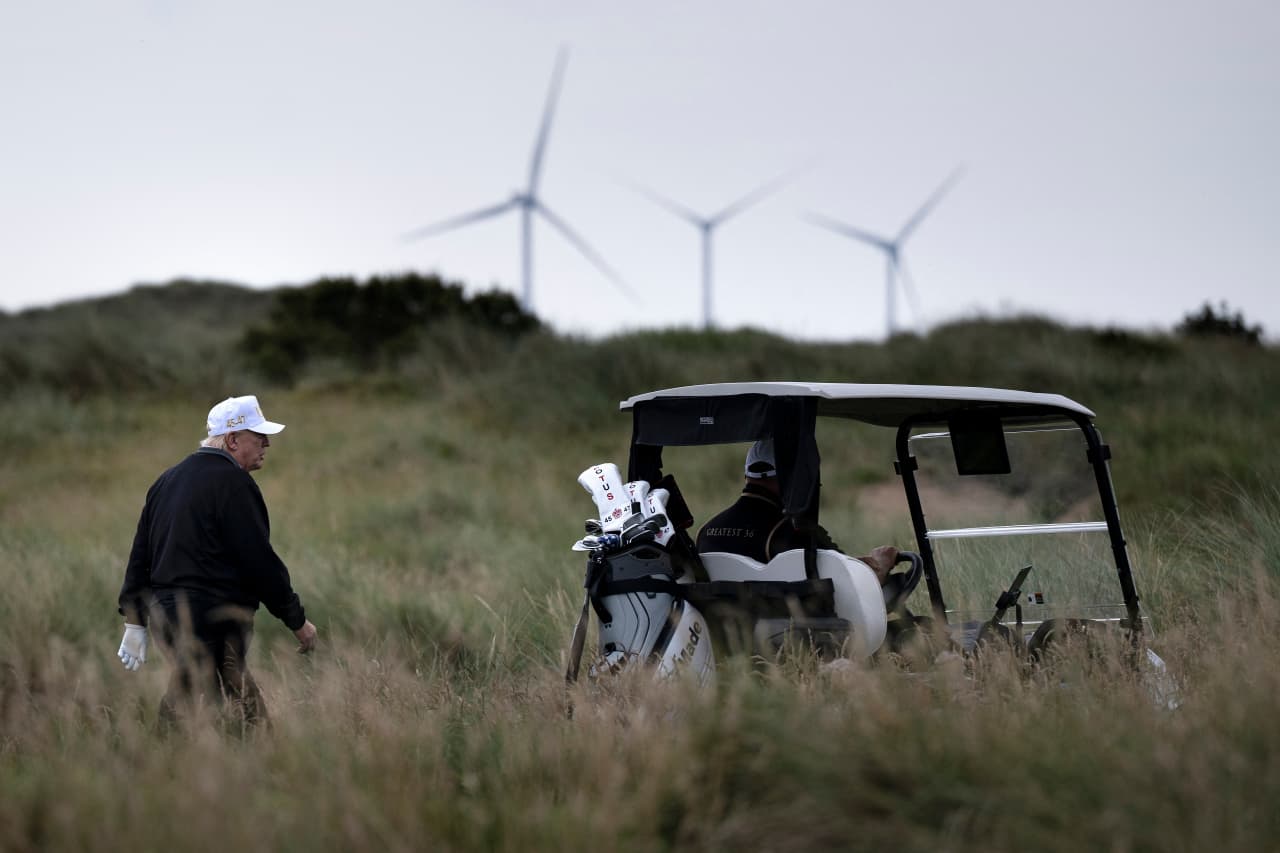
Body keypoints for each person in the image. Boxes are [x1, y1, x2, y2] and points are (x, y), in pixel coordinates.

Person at [116, 394, 318, 731]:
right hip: (213, 619)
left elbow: (140, 556)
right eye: (259, 436)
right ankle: (155, 755)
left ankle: (234, 753)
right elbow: (259, 562)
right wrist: (296, 620)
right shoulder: (235, 483)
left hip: (168, 618)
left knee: (222, 700)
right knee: (199, 701)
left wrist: (136, 621)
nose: (267, 444)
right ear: (233, 439)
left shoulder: (166, 480)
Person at [696, 438, 899, 584]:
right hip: (788, 630)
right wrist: (880, 563)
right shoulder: (793, 531)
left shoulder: (705, 532)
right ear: (792, 476)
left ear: (747, 475)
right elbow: (852, 584)